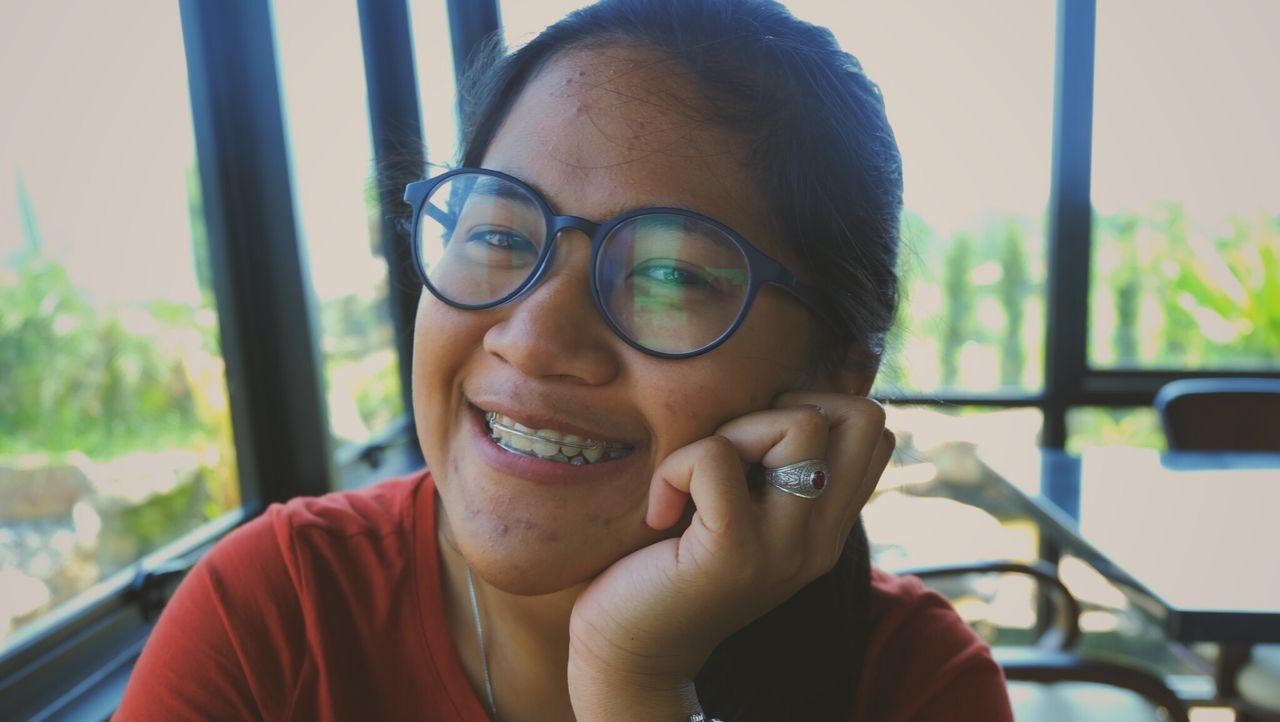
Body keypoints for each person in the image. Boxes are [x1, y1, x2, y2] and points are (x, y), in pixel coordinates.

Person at [116, 1, 1013, 720]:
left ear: (830, 381)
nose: (534, 338)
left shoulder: (914, 685)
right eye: (501, 231)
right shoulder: (280, 614)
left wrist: (636, 681)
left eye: (667, 273)